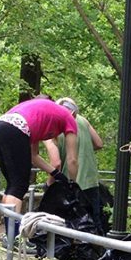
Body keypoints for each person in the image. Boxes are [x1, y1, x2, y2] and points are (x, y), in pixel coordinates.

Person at [0, 95, 78, 242]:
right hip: (15, 129)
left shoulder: (42, 114)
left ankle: (9, 236)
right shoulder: (68, 118)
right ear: (74, 113)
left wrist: (55, 173)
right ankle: (14, 239)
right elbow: (72, 159)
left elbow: (33, 155)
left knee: (12, 185)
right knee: (19, 185)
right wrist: (72, 185)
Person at [47, 97, 107, 233]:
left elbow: (56, 163)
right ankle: (100, 251)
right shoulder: (83, 120)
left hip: (70, 183)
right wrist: (84, 149)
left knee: (71, 223)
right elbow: (99, 143)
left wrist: (49, 184)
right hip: (91, 180)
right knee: (94, 221)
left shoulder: (55, 128)